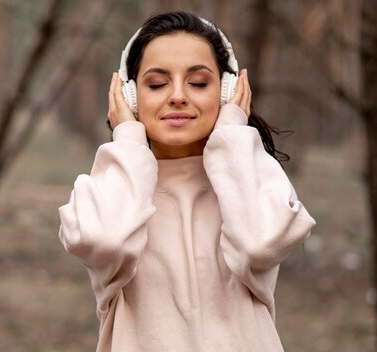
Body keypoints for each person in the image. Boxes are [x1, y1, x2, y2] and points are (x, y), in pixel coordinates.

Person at [57, 11, 316, 352]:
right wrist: (128, 138)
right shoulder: (109, 189)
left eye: (198, 82)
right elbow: (107, 243)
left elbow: (260, 245)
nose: (178, 96)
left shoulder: (252, 181)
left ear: (226, 92)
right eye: (157, 84)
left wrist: (232, 134)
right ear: (131, 96)